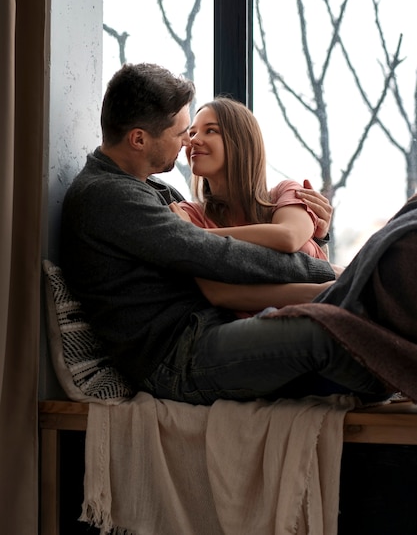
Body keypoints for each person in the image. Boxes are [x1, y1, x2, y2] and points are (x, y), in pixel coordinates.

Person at [60, 62, 388, 406]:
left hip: (207, 332)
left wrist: (320, 249)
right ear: (139, 139)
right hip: (178, 358)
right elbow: (216, 255)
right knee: (318, 334)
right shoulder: (109, 196)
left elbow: (223, 247)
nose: (188, 142)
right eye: (181, 132)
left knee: (352, 318)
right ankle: (397, 381)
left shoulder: (147, 189)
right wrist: (330, 273)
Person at [170, 97, 330, 313]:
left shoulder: (286, 192)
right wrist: (321, 292)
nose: (193, 140)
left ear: (240, 141)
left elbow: (288, 237)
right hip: (270, 334)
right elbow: (219, 294)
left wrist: (197, 236)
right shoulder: (188, 214)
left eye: (210, 131)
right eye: (192, 133)